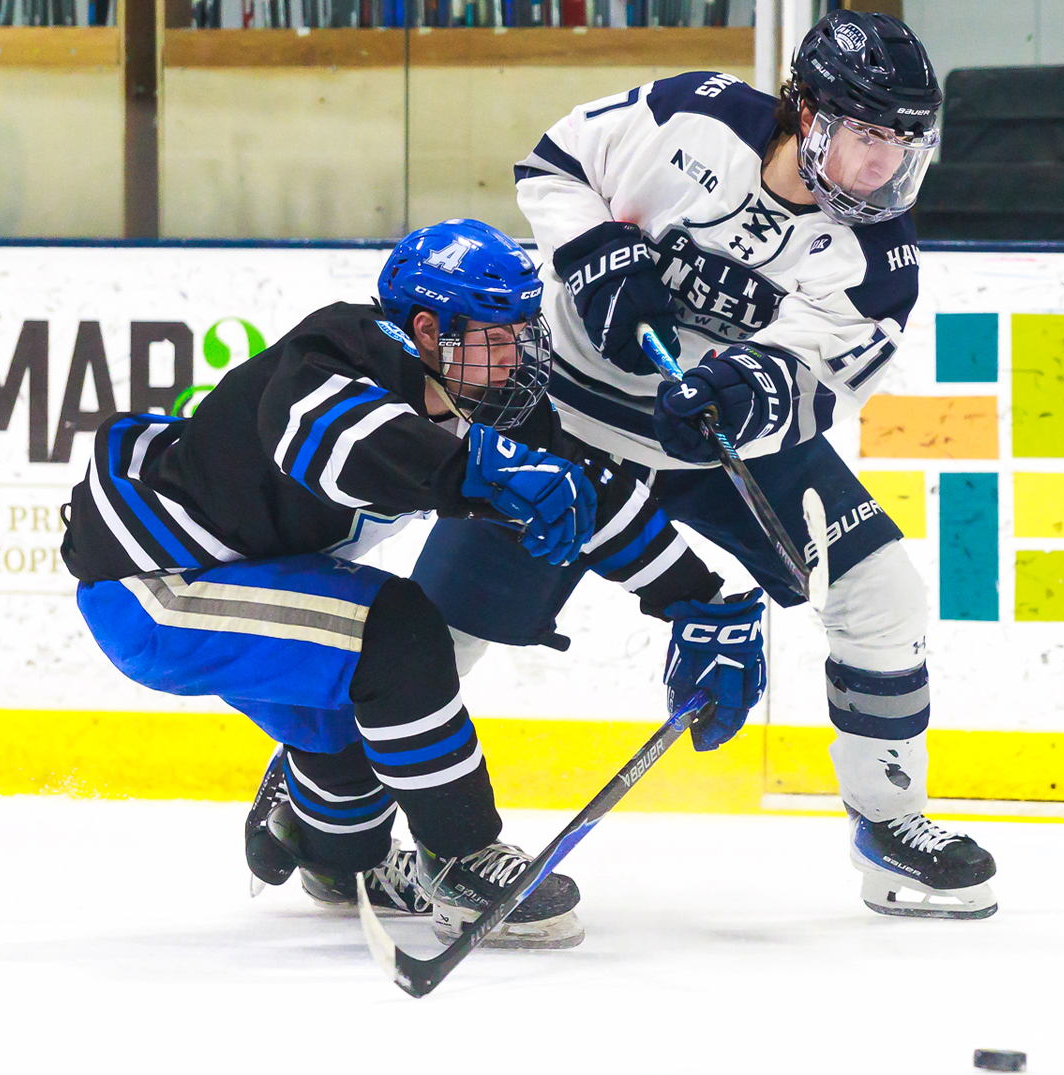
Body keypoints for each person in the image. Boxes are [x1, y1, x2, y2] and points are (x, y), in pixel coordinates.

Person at [411, 11, 996, 920]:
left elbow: (822, 385)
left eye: (904, 144)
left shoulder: (882, 258)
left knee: (881, 591)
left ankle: (892, 827)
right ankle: (342, 818)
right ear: (808, 113)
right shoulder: (694, 118)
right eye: (869, 135)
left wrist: (744, 392)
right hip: (563, 412)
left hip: (714, 447)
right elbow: (554, 164)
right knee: (435, 635)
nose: (885, 166)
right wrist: (595, 256)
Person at [60, 218, 765, 949]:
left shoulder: (490, 396)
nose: (519, 357)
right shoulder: (331, 356)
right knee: (396, 634)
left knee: (367, 740)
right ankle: (461, 860)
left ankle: (334, 860)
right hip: (157, 586)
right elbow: (337, 442)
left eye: (526, 333)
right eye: (496, 337)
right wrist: (476, 475)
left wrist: (696, 597)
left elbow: (591, 496)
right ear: (427, 330)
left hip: (244, 574)